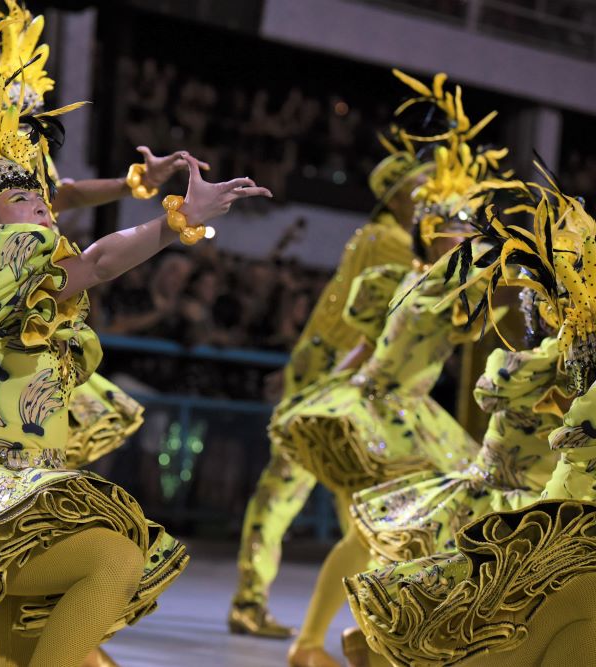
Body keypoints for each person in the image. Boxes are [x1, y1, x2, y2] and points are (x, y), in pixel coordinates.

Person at [0, 17, 271, 667]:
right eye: (20, 196)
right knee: (114, 557)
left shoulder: (17, 261)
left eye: (39, 197)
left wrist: (137, 193)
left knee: (17, 655)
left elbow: (76, 240)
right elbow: (95, 263)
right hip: (0, 506)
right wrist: (174, 221)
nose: (40, 203)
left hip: (26, 494)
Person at [346, 178, 596, 667]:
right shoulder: (527, 367)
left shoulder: (594, 382)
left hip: (567, 515)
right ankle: (367, 647)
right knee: (457, 622)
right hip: (531, 515)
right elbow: (497, 393)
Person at [277, 71, 508, 667]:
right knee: (374, 535)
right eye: (455, 237)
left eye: (466, 240)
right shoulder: (432, 288)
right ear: (430, 237)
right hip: (381, 417)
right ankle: (316, 644)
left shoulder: (412, 281)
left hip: (388, 409)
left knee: (399, 535)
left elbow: (367, 342)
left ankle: (366, 639)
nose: (464, 248)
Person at [229, 134, 427, 639]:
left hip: (323, 370)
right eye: (423, 187)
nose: (431, 196)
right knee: (354, 492)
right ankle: (376, 615)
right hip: (341, 380)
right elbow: (378, 321)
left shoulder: (369, 235)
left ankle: (254, 600)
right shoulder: (394, 244)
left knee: (293, 489)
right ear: (401, 195)